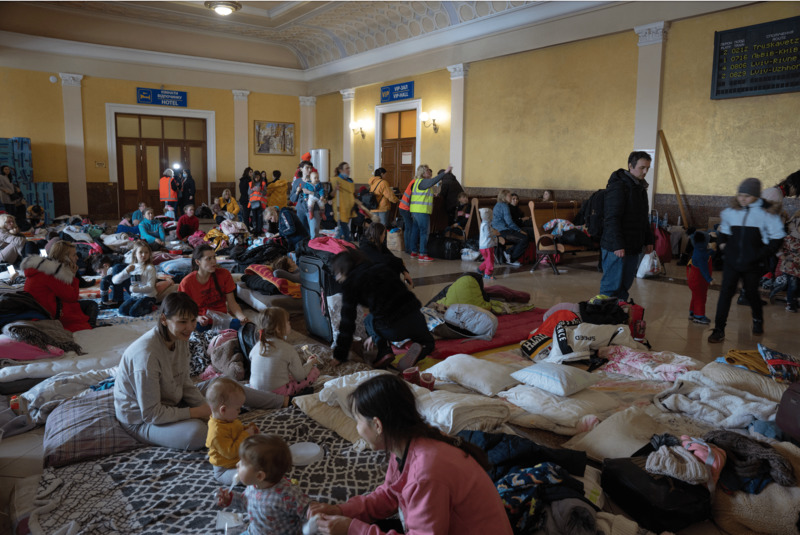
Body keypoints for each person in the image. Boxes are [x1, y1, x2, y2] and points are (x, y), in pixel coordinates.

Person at [308, 374, 513, 535]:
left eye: (358, 420)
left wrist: (352, 529)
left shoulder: (425, 472)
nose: (357, 428)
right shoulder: (405, 443)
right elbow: (389, 494)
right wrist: (341, 511)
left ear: (377, 425)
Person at [114, 292, 286, 450]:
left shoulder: (179, 338)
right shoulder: (147, 356)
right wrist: (197, 412)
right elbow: (152, 414)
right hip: (142, 421)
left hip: (172, 399)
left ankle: (284, 401)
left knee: (224, 384)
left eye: (192, 320)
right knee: (198, 433)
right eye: (182, 322)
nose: (190, 327)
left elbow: (185, 383)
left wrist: (206, 408)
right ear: (164, 319)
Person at [708, 178, 785, 342]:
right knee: (725, 294)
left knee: (751, 293)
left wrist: (760, 254)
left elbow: (777, 238)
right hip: (732, 262)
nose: (742, 199)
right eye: (740, 195)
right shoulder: (732, 212)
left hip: (753, 264)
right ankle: (719, 329)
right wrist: (723, 246)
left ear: (756, 196)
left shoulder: (766, 214)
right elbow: (723, 232)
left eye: (747, 196)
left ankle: (758, 319)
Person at [331, 249, 433, 370]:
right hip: (416, 318)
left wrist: (340, 355)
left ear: (343, 270)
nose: (336, 278)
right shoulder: (381, 268)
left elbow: (347, 324)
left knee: (368, 319)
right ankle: (422, 349)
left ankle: (384, 350)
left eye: (336, 273)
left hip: (392, 329)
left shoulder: (350, 284)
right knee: (429, 343)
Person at [217, 435, 310, 535]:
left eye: (243, 463)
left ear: (259, 476)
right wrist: (230, 499)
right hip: (254, 532)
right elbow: (246, 503)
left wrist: (313, 513)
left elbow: (307, 509)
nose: (237, 464)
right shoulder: (253, 486)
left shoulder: (287, 495)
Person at [599, 151, 655, 300]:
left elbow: (643, 217)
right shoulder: (618, 186)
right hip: (616, 247)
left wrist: (649, 240)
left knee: (624, 289)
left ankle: (619, 313)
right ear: (631, 166)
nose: (645, 171)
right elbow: (612, 218)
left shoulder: (640, 187)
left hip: (632, 246)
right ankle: (604, 314)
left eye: (647, 168)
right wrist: (617, 244)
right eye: (642, 167)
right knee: (610, 289)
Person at [21, 240, 96, 332]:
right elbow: (72, 297)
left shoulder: (43, 268)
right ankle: (91, 330)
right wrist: (73, 276)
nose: (77, 258)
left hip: (40, 311)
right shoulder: (52, 273)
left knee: (85, 306)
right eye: (74, 255)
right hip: (49, 315)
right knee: (91, 305)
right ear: (65, 257)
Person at [249, 307, 320, 396]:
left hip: (255, 390)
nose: (290, 323)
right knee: (314, 371)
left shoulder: (256, 346)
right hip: (277, 393)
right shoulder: (288, 349)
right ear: (278, 329)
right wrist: (310, 363)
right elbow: (300, 376)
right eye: (287, 321)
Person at [178, 244, 250, 330]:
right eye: (208, 259)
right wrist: (197, 318)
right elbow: (183, 309)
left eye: (214, 257)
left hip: (221, 321)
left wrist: (241, 317)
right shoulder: (187, 282)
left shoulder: (224, 274)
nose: (214, 261)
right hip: (199, 323)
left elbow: (232, 303)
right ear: (198, 262)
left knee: (245, 327)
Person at [205, 377, 259, 485]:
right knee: (248, 476)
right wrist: (246, 434)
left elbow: (235, 432)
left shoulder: (228, 419)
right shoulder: (216, 433)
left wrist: (247, 429)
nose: (239, 411)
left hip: (238, 461)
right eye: (237, 409)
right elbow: (231, 453)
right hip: (225, 470)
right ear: (223, 410)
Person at [408, 164, 452, 262]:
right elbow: (434, 181)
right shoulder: (423, 181)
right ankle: (423, 254)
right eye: (428, 170)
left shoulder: (417, 182)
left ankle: (414, 251)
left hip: (415, 210)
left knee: (415, 231)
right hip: (421, 211)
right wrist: (445, 172)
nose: (429, 172)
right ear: (423, 173)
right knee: (424, 232)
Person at [358, 222, 413, 288]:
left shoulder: (377, 243)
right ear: (379, 235)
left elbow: (391, 256)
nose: (384, 236)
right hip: (368, 279)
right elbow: (384, 259)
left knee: (393, 263)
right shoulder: (365, 247)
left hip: (374, 273)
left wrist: (405, 272)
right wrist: (400, 261)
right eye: (384, 234)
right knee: (390, 264)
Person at [114, 240, 158, 317]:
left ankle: (151, 307)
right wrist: (126, 271)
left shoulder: (150, 268)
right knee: (122, 311)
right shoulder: (132, 267)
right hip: (136, 296)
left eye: (146, 252)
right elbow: (115, 281)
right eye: (141, 252)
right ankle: (138, 304)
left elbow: (150, 287)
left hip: (148, 296)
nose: (144, 255)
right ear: (135, 254)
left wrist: (135, 289)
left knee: (133, 312)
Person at [492, 190, 529, 268]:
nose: (511, 197)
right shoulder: (504, 206)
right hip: (502, 231)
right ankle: (511, 258)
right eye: (509, 196)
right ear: (504, 197)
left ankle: (508, 254)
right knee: (524, 238)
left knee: (521, 238)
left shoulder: (498, 204)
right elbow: (509, 222)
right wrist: (519, 230)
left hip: (498, 230)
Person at [687, 231, 713, 324]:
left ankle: (692, 312)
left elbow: (706, 254)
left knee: (695, 296)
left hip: (694, 279)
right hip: (699, 281)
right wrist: (709, 279)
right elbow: (704, 269)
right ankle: (699, 316)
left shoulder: (698, 248)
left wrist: (711, 250)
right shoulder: (701, 255)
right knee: (700, 298)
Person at [780, 209, 800, 313]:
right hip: (791, 265)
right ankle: (790, 303)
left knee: (797, 285)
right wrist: (783, 257)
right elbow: (781, 249)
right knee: (793, 284)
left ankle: (794, 301)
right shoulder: (789, 237)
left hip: (797, 265)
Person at [332, 162, 356, 242]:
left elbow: (352, 194)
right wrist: (335, 189)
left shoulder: (350, 181)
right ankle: (345, 243)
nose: (349, 170)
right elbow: (331, 195)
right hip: (340, 209)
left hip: (349, 209)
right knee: (345, 229)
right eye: (346, 168)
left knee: (344, 229)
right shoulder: (336, 180)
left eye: (349, 168)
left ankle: (342, 242)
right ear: (340, 170)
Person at [290, 161, 313, 236]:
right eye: (307, 168)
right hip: (300, 209)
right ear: (301, 169)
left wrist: (309, 192)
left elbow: (320, 196)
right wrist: (297, 192)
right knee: (302, 230)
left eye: (310, 168)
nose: (309, 170)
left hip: (312, 209)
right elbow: (292, 199)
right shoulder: (297, 182)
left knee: (312, 231)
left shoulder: (314, 180)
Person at [303, 171, 327, 238]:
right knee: (310, 203)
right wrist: (305, 197)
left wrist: (322, 195)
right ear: (311, 179)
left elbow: (321, 190)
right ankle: (311, 212)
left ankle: (322, 213)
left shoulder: (319, 184)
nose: (316, 179)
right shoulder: (307, 184)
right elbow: (305, 191)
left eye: (317, 178)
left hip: (318, 197)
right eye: (315, 178)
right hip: (311, 197)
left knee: (322, 204)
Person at [477, 207, 499, 280]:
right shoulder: (486, 225)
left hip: (484, 246)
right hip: (487, 246)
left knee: (488, 260)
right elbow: (487, 234)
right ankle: (488, 274)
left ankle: (480, 269)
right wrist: (494, 233)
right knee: (490, 260)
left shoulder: (485, 224)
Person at [397, 178, 416, 254]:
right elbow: (412, 198)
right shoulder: (415, 183)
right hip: (406, 208)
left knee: (408, 229)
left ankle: (407, 248)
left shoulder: (413, 181)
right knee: (410, 229)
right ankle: (409, 249)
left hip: (403, 207)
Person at [248, 171, 268, 236]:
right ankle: (255, 231)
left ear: (260, 177)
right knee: (254, 218)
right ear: (253, 178)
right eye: (255, 178)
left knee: (260, 218)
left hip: (260, 204)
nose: (256, 179)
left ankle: (259, 231)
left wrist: (260, 190)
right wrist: (252, 189)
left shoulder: (263, 183)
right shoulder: (251, 183)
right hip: (253, 203)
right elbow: (248, 192)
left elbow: (265, 193)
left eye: (258, 177)